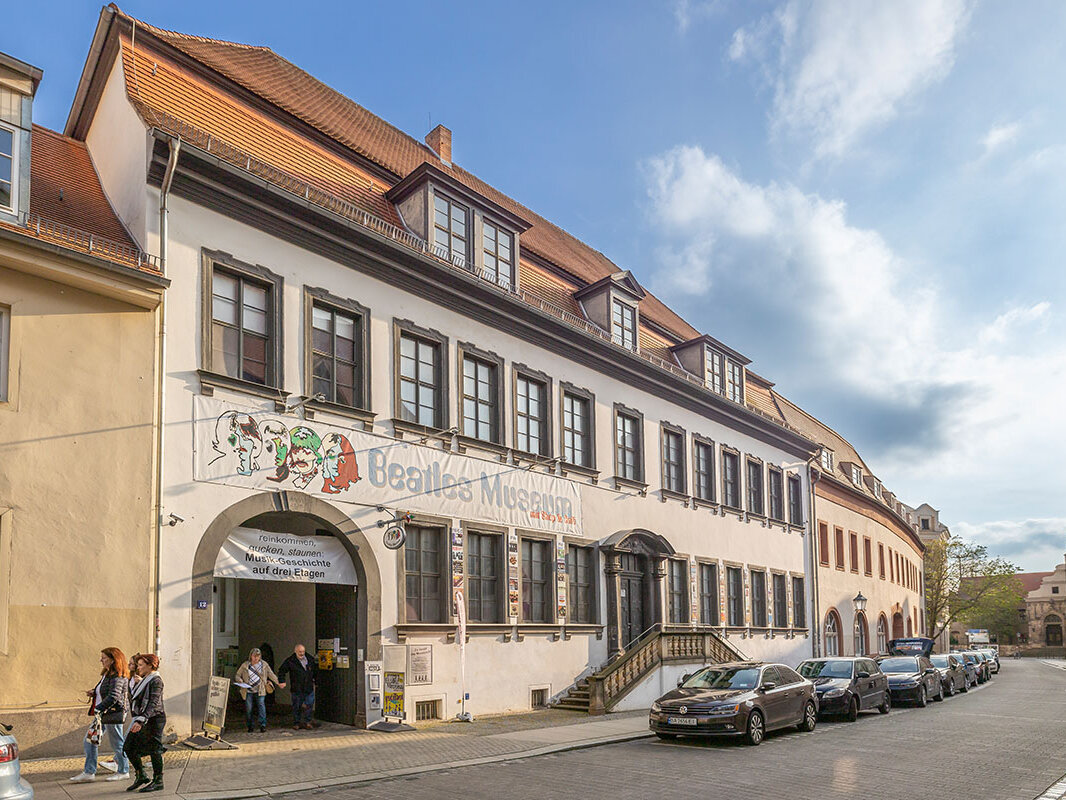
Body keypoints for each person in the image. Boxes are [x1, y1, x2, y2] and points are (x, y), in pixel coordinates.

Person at [69, 648, 130, 783]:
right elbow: (106, 691)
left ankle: (124, 770)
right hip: (103, 713)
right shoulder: (108, 674)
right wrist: (94, 692)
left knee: (117, 743)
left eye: (104, 658)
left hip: (112, 713)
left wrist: (98, 708)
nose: (101, 660)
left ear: (113, 660)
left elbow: (114, 696)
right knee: (89, 740)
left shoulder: (118, 676)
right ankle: (89, 772)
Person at [123, 653, 166, 793]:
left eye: (141, 665)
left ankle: (158, 780)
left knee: (155, 749)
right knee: (128, 747)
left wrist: (141, 720)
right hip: (142, 718)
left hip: (154, 719)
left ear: (150, 665)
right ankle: (141, 775)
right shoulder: (144, 680)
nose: (138, 667)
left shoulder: (156, 681)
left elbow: (153, 703)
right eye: (138, 664)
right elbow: (134, 698)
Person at [234, 648, 285, 732]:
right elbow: (237, 675)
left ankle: (262, 725)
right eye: (254, 656)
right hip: (248, 690)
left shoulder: (264, 665)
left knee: (261, 706)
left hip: (260, 689)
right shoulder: (245, 665)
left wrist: (279, 682)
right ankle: (250, 725)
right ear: (251, 656)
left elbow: (271, 674)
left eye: (258, 656)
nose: (256, 658)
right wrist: (239, 680)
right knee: (249, 708)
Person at [277, 644, 317, 730]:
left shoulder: (310, 659)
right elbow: (281, 671)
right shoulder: (290, 661)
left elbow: (315, 671)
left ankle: (308, 722)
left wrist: (316, 681)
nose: (302, 653)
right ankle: (296, 723)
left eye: (303, 651)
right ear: (295, 651)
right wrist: (282, 681)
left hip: (308, 687)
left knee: (309, 705)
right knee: (297, 707)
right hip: (297, 688)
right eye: (300, 652)